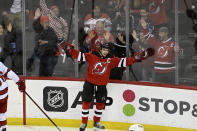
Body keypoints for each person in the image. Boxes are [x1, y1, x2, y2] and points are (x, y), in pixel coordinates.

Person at [63, 42, 154, 131]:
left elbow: (124, 62)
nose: (105, 51)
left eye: (107, 50)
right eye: (104, 49)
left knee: (100, 104)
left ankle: (96, 122)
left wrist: (134, 58)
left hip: (102, 85)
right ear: (100, 49)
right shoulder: (92, 56)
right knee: (86, 102)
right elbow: (79, 56)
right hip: (89, 83)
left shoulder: (112, 60)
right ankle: (84, 123)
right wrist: (70, 50)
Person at [0, 62, 25, 131]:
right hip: (4, 92)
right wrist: (19, 82)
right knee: (1, 113)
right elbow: (8, 72)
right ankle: (3, 128)